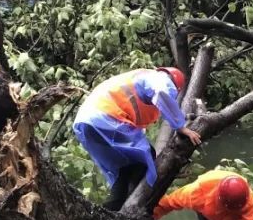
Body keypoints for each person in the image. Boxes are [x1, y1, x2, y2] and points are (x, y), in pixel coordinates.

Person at [73, 67, 202, 210]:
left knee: (125, 168)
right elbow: (161, 92)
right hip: (106, 117)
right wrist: (180, 126)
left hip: (84, 124)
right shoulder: (159, 78)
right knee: (145, 157)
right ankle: (134, 206)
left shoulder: (137, 78)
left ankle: (111, 211)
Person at [153, 170, 253, 220]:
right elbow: (169, 202)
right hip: (208, 216)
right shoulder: (197, 193)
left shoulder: (248, 200)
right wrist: (152, 217)